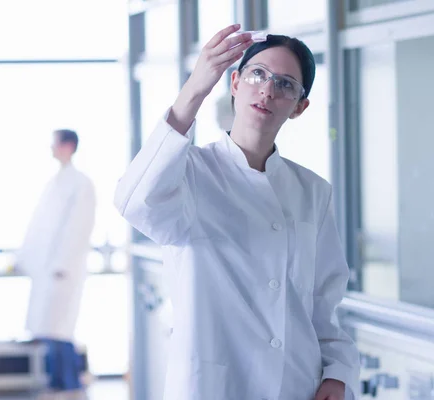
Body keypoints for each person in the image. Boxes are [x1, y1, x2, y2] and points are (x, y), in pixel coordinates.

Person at [114, 25, 360, 400]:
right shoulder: (189, 173)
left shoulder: (313, 192)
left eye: (285, 84)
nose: (267, 90)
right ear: (234, 83)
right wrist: (195, 87)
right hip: (215, 385)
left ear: (300, 107)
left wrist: (337, 374)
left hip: (296, 384)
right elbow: (134, 202)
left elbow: (323, 304)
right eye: (257, 74)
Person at [17, 129, 96, 391]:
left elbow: (77, 228)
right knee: (51, 330)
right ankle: (58, 384)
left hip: (64, 269)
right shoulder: (56, 181)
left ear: (68, 146)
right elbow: (41, 226)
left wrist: (62, 264)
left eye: (55, 144)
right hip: (47, 268)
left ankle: (70, 385)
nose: (51, 148)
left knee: (62, 330)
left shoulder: (81, 183)